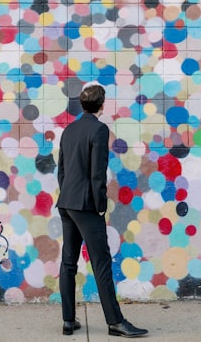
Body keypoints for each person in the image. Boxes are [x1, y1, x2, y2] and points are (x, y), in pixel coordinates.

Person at [56, 82, 148, 338]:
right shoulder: (99, 130)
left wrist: (67, 195)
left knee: (68, 262)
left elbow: (61, 169)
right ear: (102, 104)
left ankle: (68, 320)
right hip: (86, 205)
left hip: (66, 202)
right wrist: (99, 206)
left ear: (82, 104)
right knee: (101, 262)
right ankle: (115, 322)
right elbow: (97, 173)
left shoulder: (69, 130)